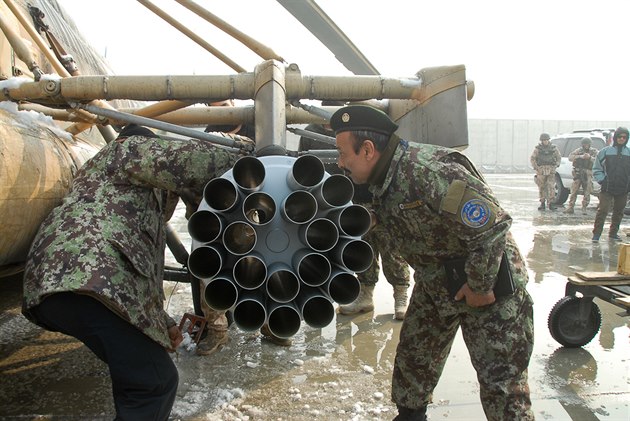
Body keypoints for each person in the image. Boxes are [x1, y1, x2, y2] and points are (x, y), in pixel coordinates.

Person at [22, 124, 242, 420]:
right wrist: (251, 156)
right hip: (85, 283)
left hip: (67, 287)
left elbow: (140, 276)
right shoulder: (123, 149)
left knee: (139, 374)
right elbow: (189, 160)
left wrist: (162, 324)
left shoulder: (125, 201)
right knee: (153, 383)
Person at [331, 105, 534, 420]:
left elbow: (491, 227)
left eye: (344, 154)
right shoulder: (376, 180)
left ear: (368, 150)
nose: (340, 162)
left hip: (489, 279)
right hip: (436, 281)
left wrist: (479, 286)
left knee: (502, 386)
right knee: (414, 364)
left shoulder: (430, 172)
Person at [298, 103, 411, 320]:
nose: (340, 162)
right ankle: (365, 295)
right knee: (360, 249)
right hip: (347, 201)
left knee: (391, 249)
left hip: (377, 195)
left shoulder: (361, 133)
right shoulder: (310, 132)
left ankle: (401, 294)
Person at [591, 126, 630, 241]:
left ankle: (613, 234)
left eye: (624, 137)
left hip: (623, 188)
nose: (622, 139)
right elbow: (597, 168)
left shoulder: (629, 153)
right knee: (602, 211)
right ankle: (596, 234)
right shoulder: (605, 152)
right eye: (619, 136)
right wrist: (602, 180)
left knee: (619, 212)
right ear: (615, 137)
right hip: (607, 187)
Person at [564, 137, 598, 214]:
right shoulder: (578, 151)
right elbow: (570, 157)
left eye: (587, 144)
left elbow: (598, 160)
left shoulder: (594, 151)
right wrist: (580, 156)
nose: (586, 145)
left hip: (588, 173)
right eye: (584, 144)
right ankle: (570, 207)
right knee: (574, 190)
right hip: (578, 172)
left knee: (587, 191)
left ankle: (584, 207)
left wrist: (590, 158)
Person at [530, 132, 561, 211]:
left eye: (547, 140)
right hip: (541, 170)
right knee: (542, 187)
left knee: (551, 186)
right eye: (544, 140)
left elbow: (558, 157)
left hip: (551, 169)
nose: (545, 141)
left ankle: (551, 203)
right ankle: (542, 203)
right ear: (541, 141)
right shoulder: (538, 149)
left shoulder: (553, 148)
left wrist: (556, 165)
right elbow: (533, 158)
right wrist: (536, 167)